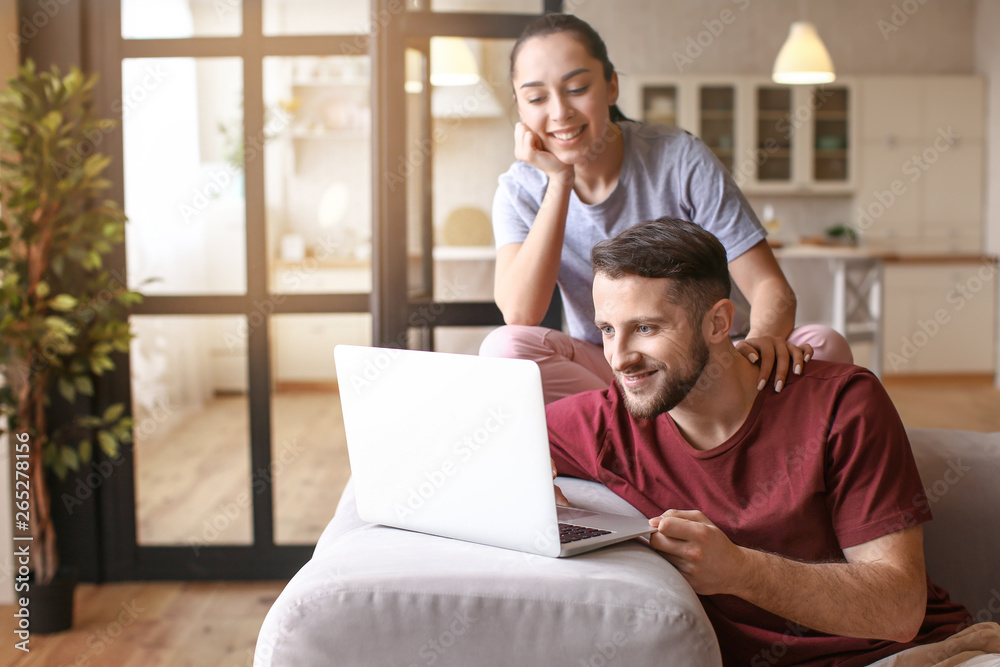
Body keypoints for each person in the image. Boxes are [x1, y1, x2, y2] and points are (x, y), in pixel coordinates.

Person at [546, 216, 1000, 667]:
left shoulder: (843, 402)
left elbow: (898, 610)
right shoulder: (605, 422)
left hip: (913, 654)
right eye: (607, 329)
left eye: (646, 328)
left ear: (718, 323)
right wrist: (530, 489)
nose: (619, 357)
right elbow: (481, 444)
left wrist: (740, 571)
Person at [480, 13, 853, 404]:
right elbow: (520, 313)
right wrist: (560, 181)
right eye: (537, 97)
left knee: (825, 347)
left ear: (611, 86)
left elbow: (770, 288)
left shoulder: (679, 158)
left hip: (712, 359)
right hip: (617, 369)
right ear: (521, 108)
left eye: (576, 88)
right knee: (504, 349)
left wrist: (758, 349)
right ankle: (669, 432)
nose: (559, 112)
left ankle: (643, 434)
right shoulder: (518, 190)